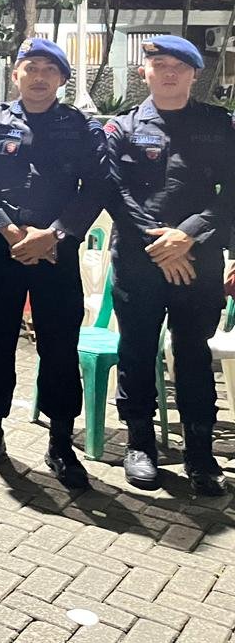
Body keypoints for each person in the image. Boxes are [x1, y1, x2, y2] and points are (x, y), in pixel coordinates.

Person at [0, 38, 110, 489]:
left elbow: (96, 187)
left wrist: (54, 235)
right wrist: (10, 232)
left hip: (55, 254)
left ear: (62, 78)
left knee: (59, 346)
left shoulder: (81, 127)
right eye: (31, 68)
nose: (39, 77)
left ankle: (61, 442)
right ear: (16, 74)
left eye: (49, 69)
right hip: (3, 251)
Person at [105, 35, 233, 496]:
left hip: (198, 258)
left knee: (193, 352)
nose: (169, 72)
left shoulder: (218, 125)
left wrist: (188, 235)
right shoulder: (121, 127)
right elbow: (112, 190)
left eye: (179, 66)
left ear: (195, 74)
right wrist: (158, 243)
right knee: (137, 349)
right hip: (139, 259)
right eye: (159, 64)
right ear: (145, 72)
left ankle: (200, 452)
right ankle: (140, 443)